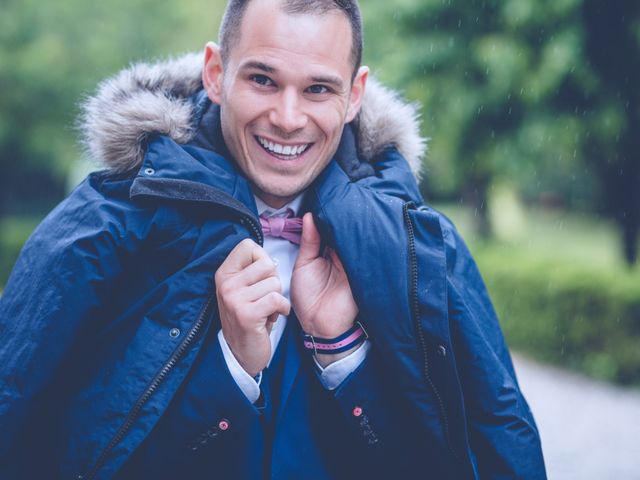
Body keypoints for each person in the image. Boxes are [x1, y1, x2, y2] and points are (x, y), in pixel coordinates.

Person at [0, 0, 546, 478]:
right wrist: (230, 364)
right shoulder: (101, 225)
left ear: (354, 94)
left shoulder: (420, 246)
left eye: (317, 89)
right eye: (263, 80)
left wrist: (342, 353)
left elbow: (483, 449)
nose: (288, 118)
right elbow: (37, 440)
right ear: (216, 73)